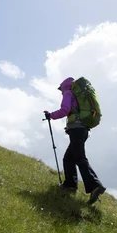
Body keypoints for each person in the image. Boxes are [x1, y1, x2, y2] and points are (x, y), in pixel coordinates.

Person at [44, 76, 106, 205]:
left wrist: (51, 115)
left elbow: (65, 110)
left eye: (60, 89)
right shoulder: (78, 95)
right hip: (83, 129)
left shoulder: (68, 93)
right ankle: (70, 186)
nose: (61, 92)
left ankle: (95, 185)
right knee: (69, 158)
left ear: (64, 87)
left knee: (79, 158)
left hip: (77, 130)